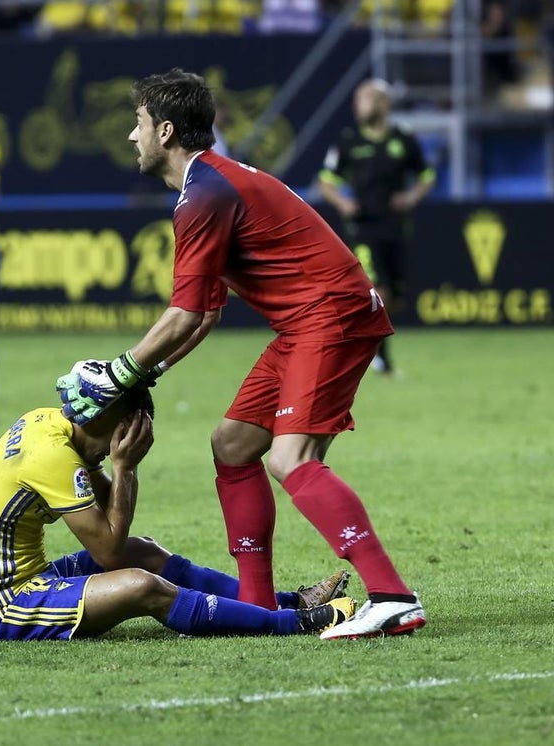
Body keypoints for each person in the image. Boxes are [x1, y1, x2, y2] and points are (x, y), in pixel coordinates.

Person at [57, 69, 426, 640]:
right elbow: (204, 312)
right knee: (232, 445)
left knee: (290, 459)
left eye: (138, 123)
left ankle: (392, 596)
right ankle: (257, 607)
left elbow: (182, 316)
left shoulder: (203, 195)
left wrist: (121, 371)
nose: (132, 136)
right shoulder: (207, 185)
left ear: (166, 130)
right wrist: (144, 373)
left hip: (329, 316)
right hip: (309, 321)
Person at [0, 381, 354, 641]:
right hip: (5, 603)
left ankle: (286, 601)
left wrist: (115, 467)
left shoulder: (49, 423)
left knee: (144, 551)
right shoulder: (50, 456)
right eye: (128, 433)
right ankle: (294, 623)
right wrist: (125, 466)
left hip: (31, 576)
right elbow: (107, 551)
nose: (127, 443)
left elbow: (113, 523)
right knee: (140, 585)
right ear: (107, 422)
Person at [318, 79, 435, 376]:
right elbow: (326, 181)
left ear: (384, 104)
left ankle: (363, 342)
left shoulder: (403, 139)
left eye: (366, 99)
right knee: (377, 289)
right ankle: (381, 360)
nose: (360, 106)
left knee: (394, 297)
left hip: (395, 227)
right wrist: (343, 204)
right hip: (362, 228)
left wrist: (411, 197)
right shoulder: (348, 141)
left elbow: (427, 174)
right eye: (358, 100)